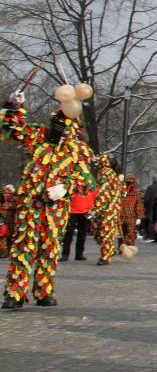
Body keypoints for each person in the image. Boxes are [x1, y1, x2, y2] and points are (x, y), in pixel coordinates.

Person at [1, 89, 96, 309]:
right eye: (55, 123)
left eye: (62, 125)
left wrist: (66, 186)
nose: (57, 129)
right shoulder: (38, 137)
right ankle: (15, 294)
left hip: (56, 207)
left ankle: (44, 291)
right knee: (23, 247)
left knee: (50, 249)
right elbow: (11, 129)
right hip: (30, 203)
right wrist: (13, 106)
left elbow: (87, 181)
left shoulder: (78, 150)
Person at [91, 154, 123, 265]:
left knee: (103, 231)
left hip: (107, 209)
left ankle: (105, 256)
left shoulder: (105, 174)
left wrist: (95, 209)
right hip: (112, 208)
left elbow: (102, 194)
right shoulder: (114, 175)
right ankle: (109, 250)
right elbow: (123, 192)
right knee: (104, 231)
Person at [61, 187, 96, 262]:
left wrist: (90, 207)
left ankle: (79, 254)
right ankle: (65, 254)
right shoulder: (73, 180)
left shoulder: (89, 181)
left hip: (85, 210)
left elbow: (93, 193)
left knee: (82, 233)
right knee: (68, 233)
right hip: (72, 210)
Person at [119, 175, 142, 248]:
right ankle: (122, 246)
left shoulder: (135, 192)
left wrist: (138, 215)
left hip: (131, 216)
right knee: (122, 232)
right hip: (122, 215)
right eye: (128, 183)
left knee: (130, 232)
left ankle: (129, 246)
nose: (130, 185)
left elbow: (138, 204)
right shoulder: (121, 191)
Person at [0, 184, 15, 258]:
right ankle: (3, 251)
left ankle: (9, 251)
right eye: (6, 193)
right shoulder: (2, 202)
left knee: (11, 235)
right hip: (4, 221)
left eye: (9, 193)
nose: (7, 195)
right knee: (3, 236)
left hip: (11, 222)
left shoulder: (14, 201)